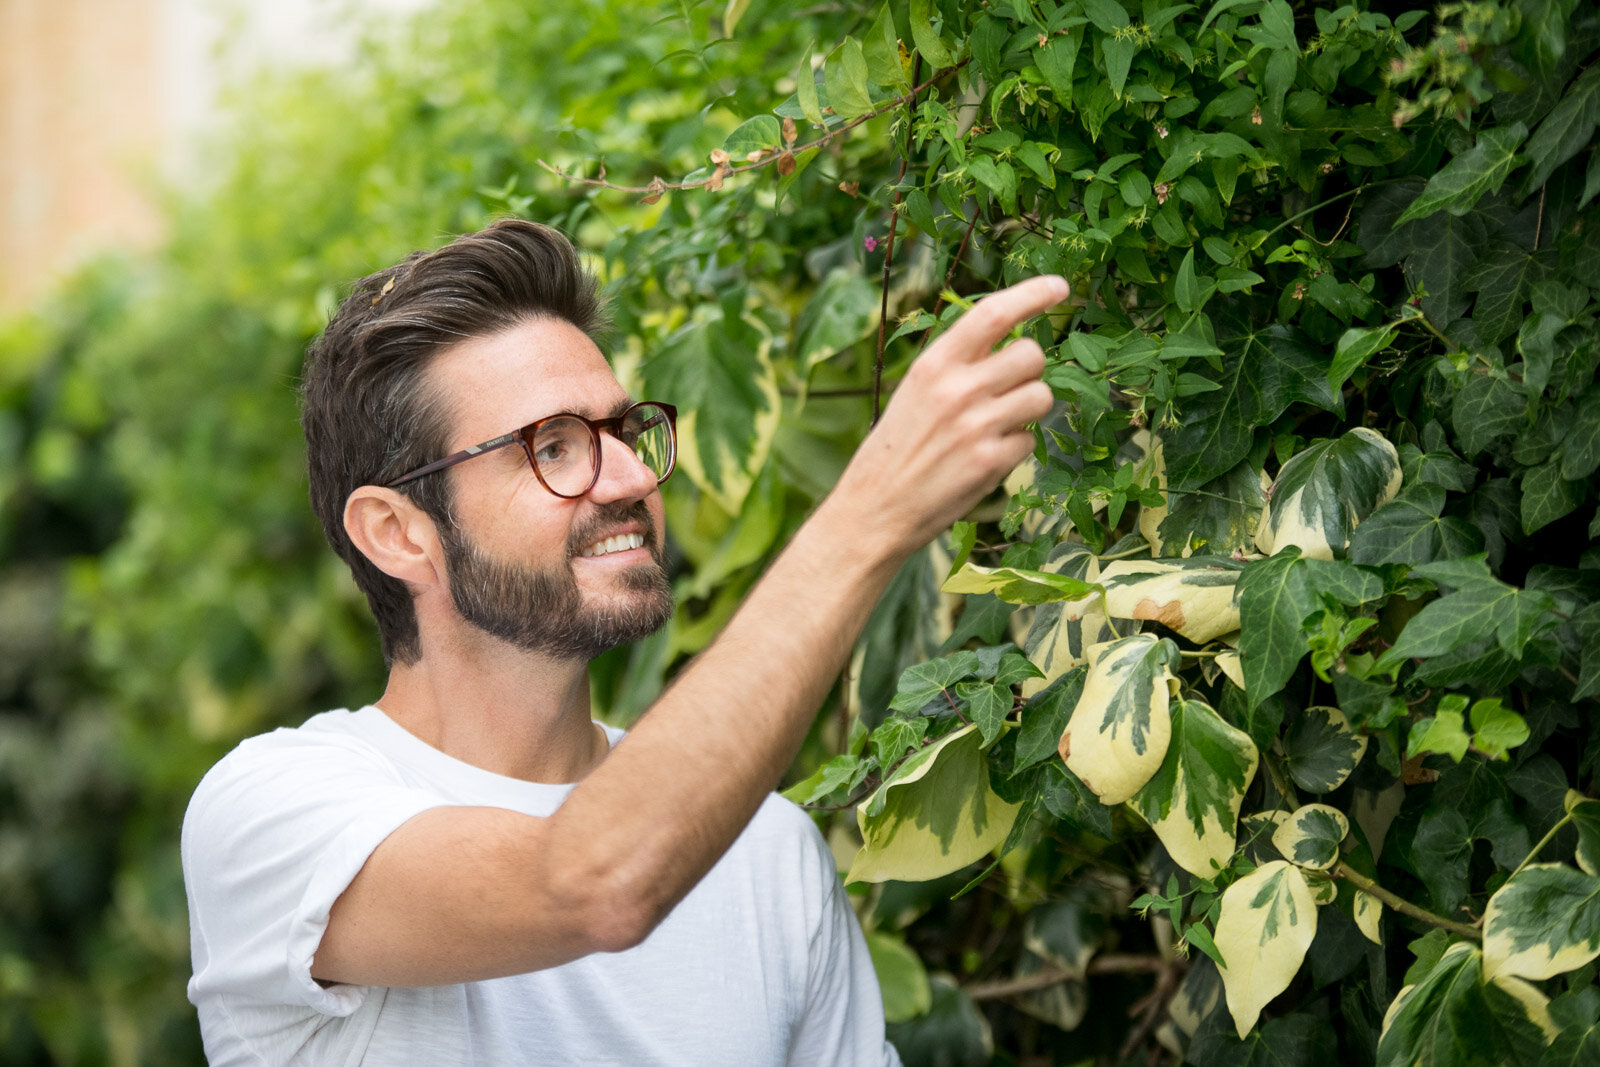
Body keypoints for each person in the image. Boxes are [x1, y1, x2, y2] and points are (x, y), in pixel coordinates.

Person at [181, 218, 1065, 1064]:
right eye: (554, 446)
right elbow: (592, 881)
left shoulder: (764, 850)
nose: (637, 476)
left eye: (626, 430)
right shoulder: (276, 812)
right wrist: (871, 514)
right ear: (398, 532)